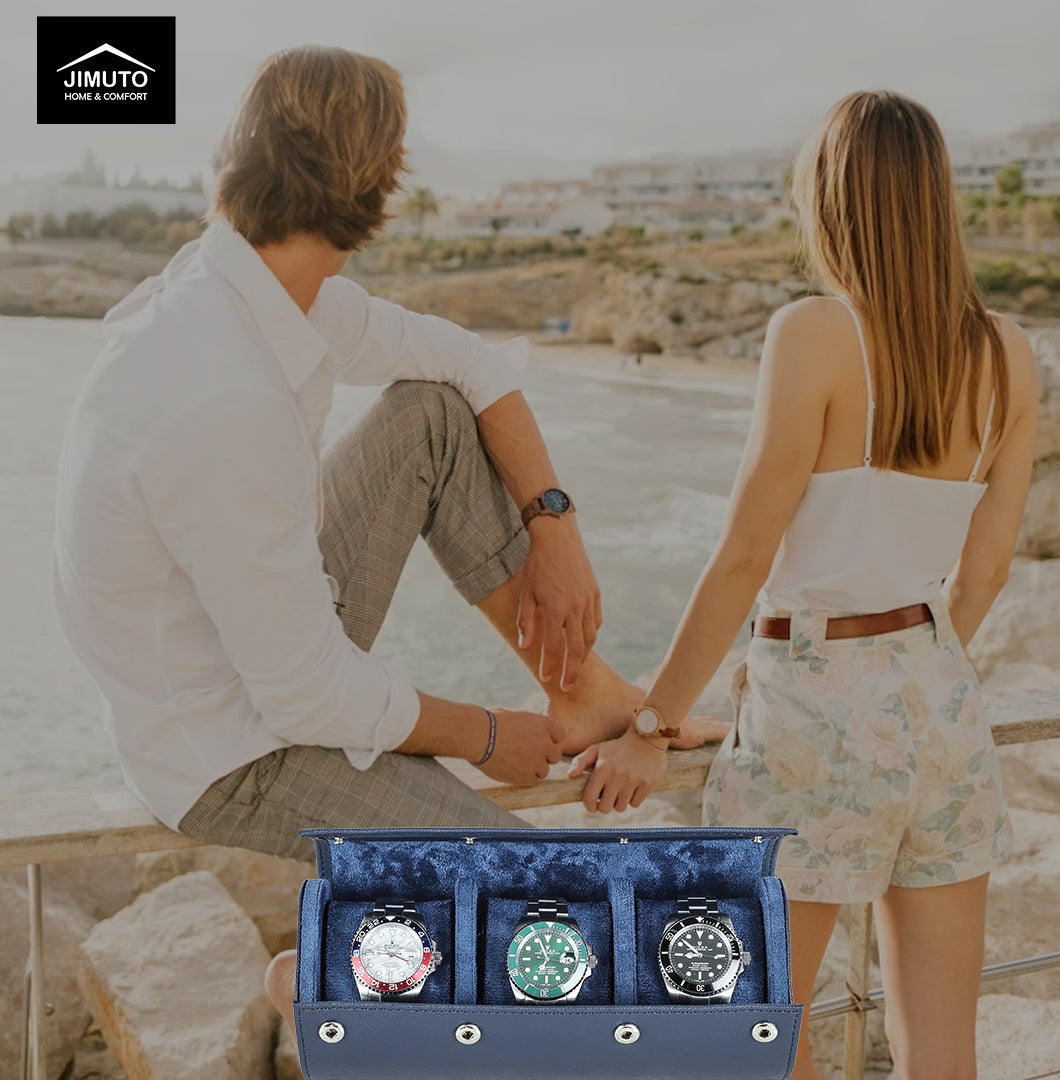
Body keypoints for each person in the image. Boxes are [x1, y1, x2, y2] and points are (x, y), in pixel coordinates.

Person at [56, 45, 729, 867]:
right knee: (543, 890)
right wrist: (485, 735)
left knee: (432, 415)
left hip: (254, 654)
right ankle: (326, 992)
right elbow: (303, 694)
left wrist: (556, 526)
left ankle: (584, 689)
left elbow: (468, 363)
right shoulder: (224, 390)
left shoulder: (251, 289)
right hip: (225, 748)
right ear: (377, 189)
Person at [570, 90, 1036, 1080]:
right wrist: (915, 664)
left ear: (831, 201)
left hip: (814, 708)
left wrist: (652, 725)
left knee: (752, 1035)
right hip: (941, 705)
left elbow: (744, 556)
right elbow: (988, 567)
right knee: (943, 1055)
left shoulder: (816, 333)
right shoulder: (1008, 354)